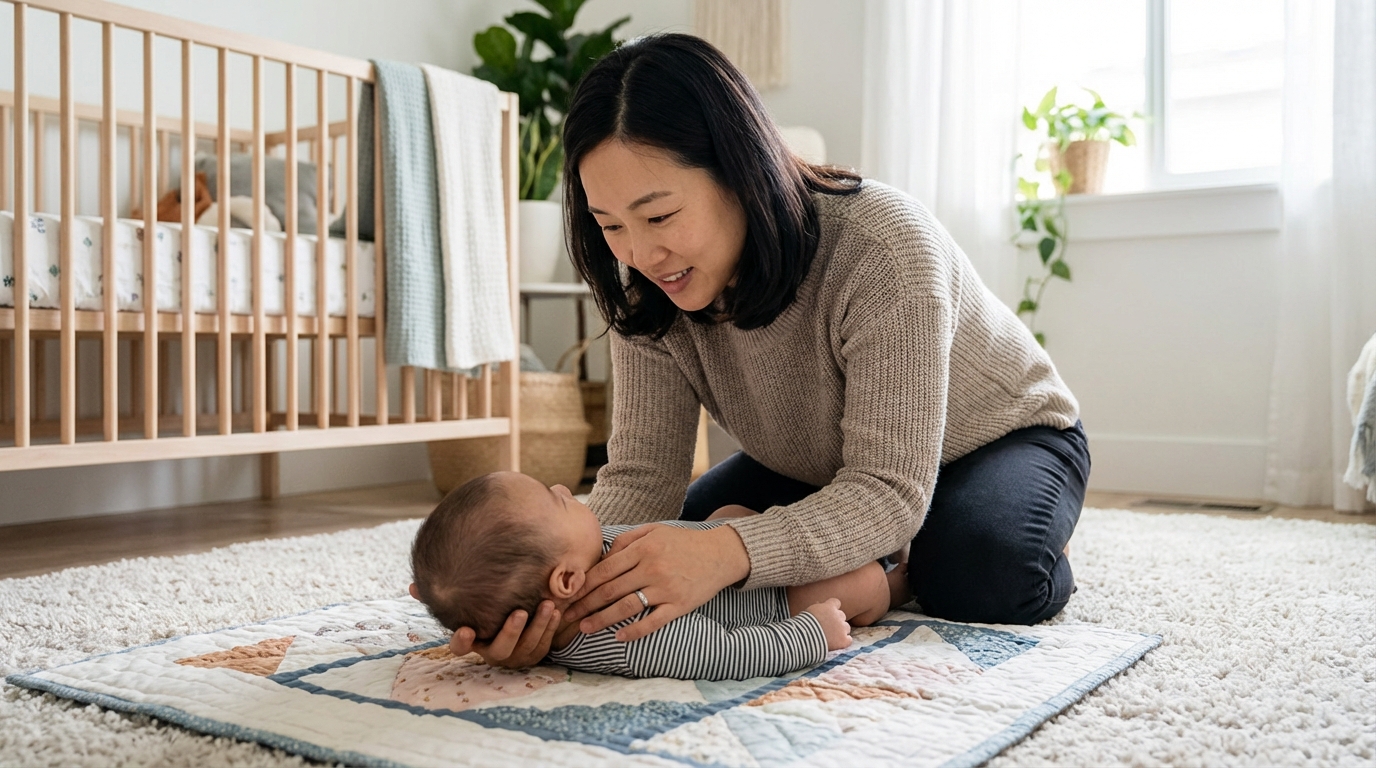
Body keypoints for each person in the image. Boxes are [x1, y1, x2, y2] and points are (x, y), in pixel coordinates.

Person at [450, 33, 1088, 669]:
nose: (641, 255)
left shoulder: (885, 248)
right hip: (824, 461)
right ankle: (873, 551)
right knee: (673, 541)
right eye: (610, 225)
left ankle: (923, 554)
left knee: (980, 572)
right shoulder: (649, 286)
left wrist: (733, 552)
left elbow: (888, 487)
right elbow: (645, 476)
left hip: (1000, 437)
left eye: (660, 216)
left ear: (738, 170)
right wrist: (565, 599)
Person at [411, 471, 908, 680]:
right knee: (855, 581)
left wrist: (722, 537)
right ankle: (898, 582)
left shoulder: (583, 556)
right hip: (772, 603)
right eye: (557, 499)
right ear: (565, 582)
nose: (566, 487)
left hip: (729, 561)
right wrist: (809, 633)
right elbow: (723, 654)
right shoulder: (625, 633)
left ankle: (864, 534)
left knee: (729, 509)